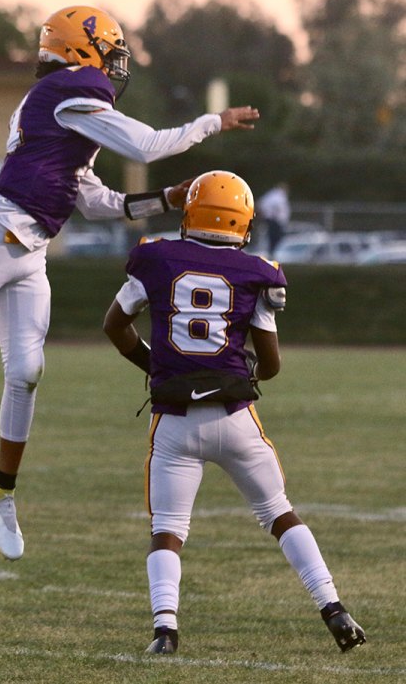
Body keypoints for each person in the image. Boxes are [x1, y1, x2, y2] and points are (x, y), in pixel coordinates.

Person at [0, 6, 260, 562]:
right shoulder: (69, 92)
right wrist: (212, 122)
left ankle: (2, 492)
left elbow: (100, 203)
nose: (115, 67)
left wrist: (165, 199)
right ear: (80, 50)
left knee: (27, 373)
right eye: (109, 53)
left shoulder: (66, 117)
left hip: (33, 250)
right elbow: (147, 146)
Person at [103, 170, 366, 654]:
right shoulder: (257, 270)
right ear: (243, 223)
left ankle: (165, 631)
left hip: (175, 421)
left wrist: (159, 365)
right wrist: (243, 375)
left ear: (190, 214)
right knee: (280, 514)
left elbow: (115, 326)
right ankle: (334, 609)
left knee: (168, 531)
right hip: (235, 417)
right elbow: (271, 364)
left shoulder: (155, 257)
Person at [256, 181, 291, 257]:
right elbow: (264, 204)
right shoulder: (276, 195)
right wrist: (272, 214)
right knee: (273, 239)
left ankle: (272, 254)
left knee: (276, 239)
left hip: (277, 221)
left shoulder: (279, 196)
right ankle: (271, 254)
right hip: (274, 221)